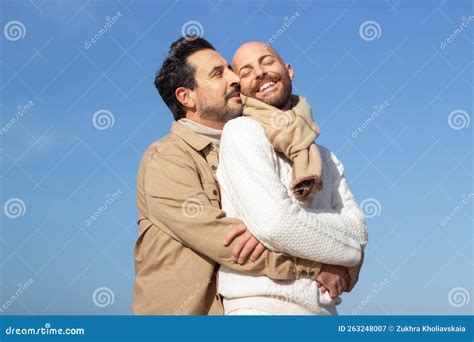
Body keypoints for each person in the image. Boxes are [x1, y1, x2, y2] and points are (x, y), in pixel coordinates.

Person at [133, 36, 347, 315]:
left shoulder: (257, 148)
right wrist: (316, 266)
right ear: (187, 97)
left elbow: (306, 223)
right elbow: (228, 243)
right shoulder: (166, 159)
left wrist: (343, 255)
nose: (234, 78)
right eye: (218, 73)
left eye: (230, 69)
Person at [216, 42, 368, 315]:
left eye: (267, 62)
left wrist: (291, 224)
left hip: (323, 310)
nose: (260, 73)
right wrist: (352, 254)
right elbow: (276, 225)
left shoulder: (326, 157)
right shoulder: (241, 133)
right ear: (241, 87)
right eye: (247, 71)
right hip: (261, 309)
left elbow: (358, 230)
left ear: (288, 70)